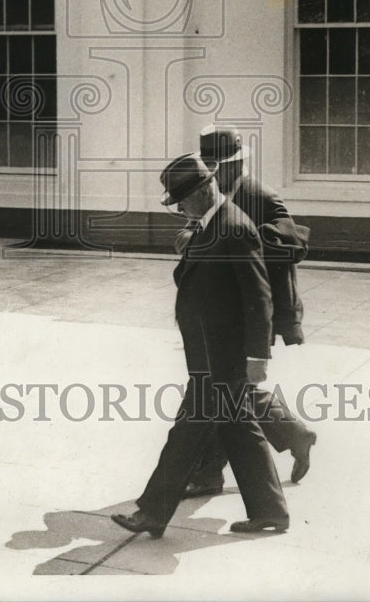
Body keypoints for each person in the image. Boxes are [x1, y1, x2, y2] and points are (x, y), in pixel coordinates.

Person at [112, 154, 289, 538]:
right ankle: (271, 511)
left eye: (184, 198)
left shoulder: (235, 228)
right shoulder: (211, 224)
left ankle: (152, 513)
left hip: (222, 358)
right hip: (208, 352)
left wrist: (258, 355)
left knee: (187, 433)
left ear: (207, 188)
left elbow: (258, 298)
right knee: (240, 431)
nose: (180, 207)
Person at [180, 125, 316, 498]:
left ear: (233, 164)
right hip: (225, 307)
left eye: (214, 167)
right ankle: (294, 434)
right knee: (229, 389)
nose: (208, 175)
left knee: (220, 389)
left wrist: (238, 238)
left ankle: (209, 473)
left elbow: (294, 244)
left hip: (256, 308)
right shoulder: (220, 194)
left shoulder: (261, 196)